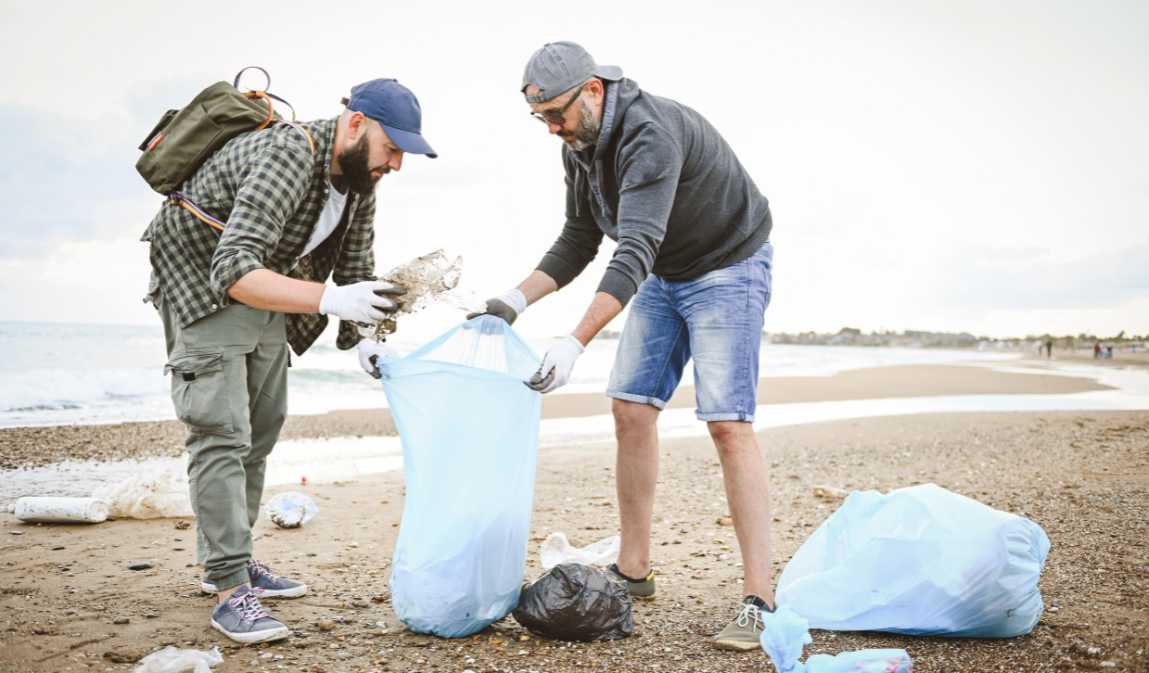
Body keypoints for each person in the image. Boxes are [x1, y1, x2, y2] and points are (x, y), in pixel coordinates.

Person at [471, 41, 775, 650]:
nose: (553, 129)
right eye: (542, 119)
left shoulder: (650, 133)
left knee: (727, 424)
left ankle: (760, 599)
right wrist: (512, 301)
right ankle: (634, 571)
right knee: (631, 408)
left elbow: (632, 248)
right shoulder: (578, 147)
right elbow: (578, 239)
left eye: (558, 113)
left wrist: (575, 341)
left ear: (593, 89)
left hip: (727, 266)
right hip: (666, 271)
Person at [141, 78, 436, 643]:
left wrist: (368, 337)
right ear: (355, 124)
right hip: (201, 283)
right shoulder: (288, 152)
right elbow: (231, 269)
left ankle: (232, 558)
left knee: (261, 427)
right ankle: (229, 588)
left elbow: (356, 270)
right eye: (392, 147)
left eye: (404, 152)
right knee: (221, 433)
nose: (397, 163)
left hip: (265, 291)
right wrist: (328, 299)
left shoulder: (358, 179)